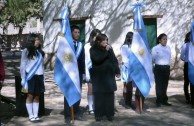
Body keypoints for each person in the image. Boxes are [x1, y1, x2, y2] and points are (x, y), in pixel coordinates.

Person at [90, 34, 120, 121]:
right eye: (104, 40)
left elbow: (114, 60)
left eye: (107, 40)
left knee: (109, 96)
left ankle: (109, 114)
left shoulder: (109, 48)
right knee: (99, 96)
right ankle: (98, 114)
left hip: (109, 76)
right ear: (98, 41)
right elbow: (97, 59)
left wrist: (117, 70)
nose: (106, 42)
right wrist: (105, 51)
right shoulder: (93, 49)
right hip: (99, 77)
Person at [20, 33, 45, 122]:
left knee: (37, 96)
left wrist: (43, 77)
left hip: (39, 75)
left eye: (39, 39)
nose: (38, 41)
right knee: (30, 95)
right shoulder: (26, 51)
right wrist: (23, 78)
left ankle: (36, 114)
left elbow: (42, 66)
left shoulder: (40, 52)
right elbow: (23, 65)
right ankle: (31, 115)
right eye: (37, 39)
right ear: (32, 41)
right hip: (30, 76)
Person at [64, 25, 85, 122]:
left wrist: (83, 73)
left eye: (78, 32)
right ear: (71, 33)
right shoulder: (67, 44)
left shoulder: (81, 45)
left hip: (78, 73)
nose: (77, 34)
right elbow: (65, 59)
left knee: (77, 92)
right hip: (69, 72)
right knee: (68, 93)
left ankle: (76, 112)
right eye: (75, 32)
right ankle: (68, 114)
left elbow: (82, 60)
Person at [152, 33, 171, 107]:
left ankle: (164, 100)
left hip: (166, 68)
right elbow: (153, 58)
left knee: (165, 84)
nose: (165, 40)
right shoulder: (155, 48)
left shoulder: (168, 48)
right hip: (158, 67)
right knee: (159, 84)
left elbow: (169, 57)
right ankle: (158, 100)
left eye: (166, 39)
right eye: (164, 39)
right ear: (159, 40)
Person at [84, 29, 101, 115]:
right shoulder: (86, 46)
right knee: (90, 88)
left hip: (99, 70)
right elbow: (84, 59)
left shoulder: (100, 46)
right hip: (89, 70)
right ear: (91, 36)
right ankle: (90, 107)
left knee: (98, 89)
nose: (96, 38)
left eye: (98, 36)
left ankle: (96, 106)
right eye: (95, 36)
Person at [120, 32, 136, 109]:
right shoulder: (124, 47)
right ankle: (127, 101)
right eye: (132, 37)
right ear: (128, 38)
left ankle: (128, 100)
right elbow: (125, 59)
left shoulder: (133, 46)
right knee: (127, 84)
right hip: (126, 67)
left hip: (132, 67)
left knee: (130, 85)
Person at [180, 32, 191, 104]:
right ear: (188, 37)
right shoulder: (185, 45)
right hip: (187, 65)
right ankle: (187, 97)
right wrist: (187, 60)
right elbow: (181, 56)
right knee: (186, 82)